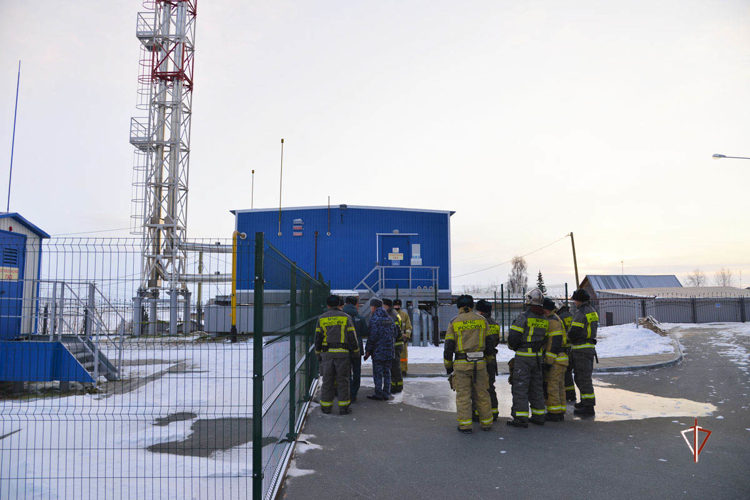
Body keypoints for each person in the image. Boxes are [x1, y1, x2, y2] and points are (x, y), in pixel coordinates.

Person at [444, 294, 494, 433]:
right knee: (482, 394)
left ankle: (465, 426)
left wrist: (448, 366)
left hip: (461, 365)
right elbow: (489, 343)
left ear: (458, 306)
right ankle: (487, 424)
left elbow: (448, 346)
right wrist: (489, 360)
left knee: (463, 396)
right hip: (480, 364)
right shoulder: (482, 320)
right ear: (472, 306)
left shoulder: (454, 322)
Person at [507, 288, 549, 428]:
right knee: (536, 387)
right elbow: (545, 338)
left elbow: (514, 336)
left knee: (520, 387)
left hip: (524, 357)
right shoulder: (544, 318)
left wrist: (514, 347)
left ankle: (520, 418)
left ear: (529, 300)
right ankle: (538, 416)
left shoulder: (524, 316)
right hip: (537, 358)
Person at [315, 295, 360, 415]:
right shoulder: (346, 317)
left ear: (328, 305)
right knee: (343, 381)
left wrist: (318, 354)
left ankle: (326, 407)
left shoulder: (322, 318)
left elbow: (317, 338)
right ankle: (344, 408)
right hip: (343, 354)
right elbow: (352, 337)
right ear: (339, 304)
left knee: (327, 381)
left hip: (327, 355)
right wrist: (356, 352)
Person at [568, 289, 599, 416]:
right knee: (584, 377)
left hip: (581, 349)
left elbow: (574, 331)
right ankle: (585, 401)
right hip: (589, 348)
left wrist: (568, 336)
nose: (574, 302)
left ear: (579, 300)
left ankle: (588, 406)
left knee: (583, 378)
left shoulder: (581, 312)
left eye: (575, 300)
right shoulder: (592, 311)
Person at [542, 298, 568, 421]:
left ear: (546, 310)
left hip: (556, 360)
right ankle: (560, 410)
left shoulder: (552, 321)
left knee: (552, 386)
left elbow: (554, 343)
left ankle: (554, 412)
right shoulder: (557, 318)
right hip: (562, 359)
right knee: (560, 386)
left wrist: (548, 361)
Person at [365, 298, 396, 401]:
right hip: (389, 351)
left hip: (378, 351)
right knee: (387, 372)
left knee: (378, 373)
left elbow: (372, 337)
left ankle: (378, 393)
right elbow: (395, 334)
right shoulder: (390, 319)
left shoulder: (374, 320)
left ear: (374, 307)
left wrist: (368, 350)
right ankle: (386, 393)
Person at [474, 299, 500, 420]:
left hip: (482, 358)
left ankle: (478, 412)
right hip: (492, 359)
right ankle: (494, 411)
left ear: (481, 311)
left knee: (479, 387)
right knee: (490, 385)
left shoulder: (479, 323)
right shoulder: (495, 323)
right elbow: (496, 342)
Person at [343, 296, 368, 403]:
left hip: (344, 348)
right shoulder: (361, 319)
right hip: (357, 348)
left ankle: (348, 391)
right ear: (355, 304)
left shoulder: (342, 317)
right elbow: (365, 333)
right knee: (357, 371)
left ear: (345, 303)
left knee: (345, 371)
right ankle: (354, 393)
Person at [556, 301, 576, 402]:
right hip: (572, 347)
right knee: (569, 372)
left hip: (564, 348)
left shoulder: (560, 318)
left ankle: (569, 394)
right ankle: (571, 393)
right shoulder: (571, 315)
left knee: (565, 372)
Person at [383, 298, 404, 393]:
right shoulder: (394, 313)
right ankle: (395, 384)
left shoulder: (391, 315)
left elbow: (396, 331)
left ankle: (397, 386)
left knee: (395, 366)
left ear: (386, 305)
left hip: (395, 344)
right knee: (394, 366)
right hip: (397, 343)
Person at [393, 299, 413, 374]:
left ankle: (403, 370)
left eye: (398, 305)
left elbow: (409, 327)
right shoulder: (390, 314)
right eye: (395, 305)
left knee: (403, 355)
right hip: (393, 339)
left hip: (402, 339)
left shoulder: (404, 315)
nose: (397, 306)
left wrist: (407, 336)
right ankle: (394, 369)